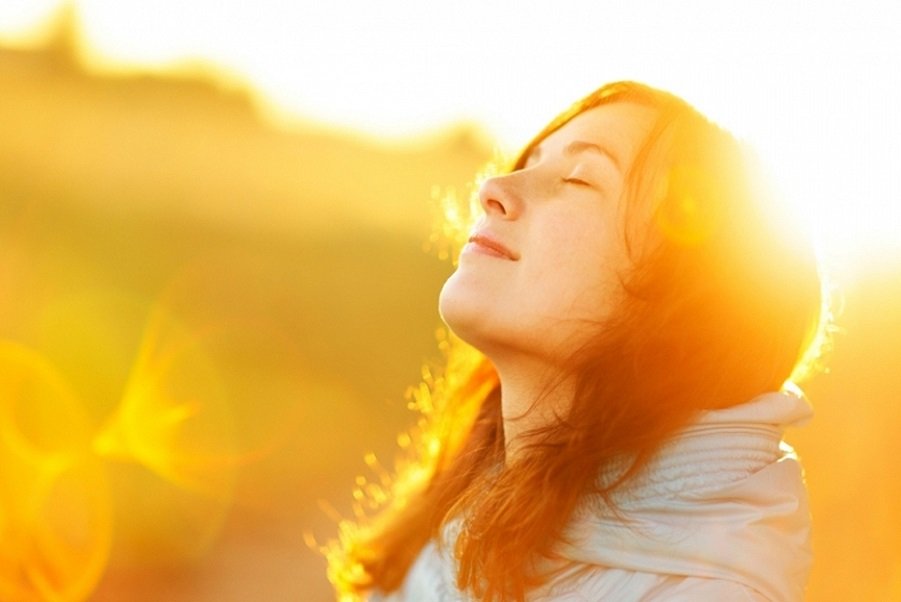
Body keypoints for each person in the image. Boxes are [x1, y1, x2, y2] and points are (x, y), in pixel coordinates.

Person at [327, 81, 827, 601]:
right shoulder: (468, 509)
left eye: (578, 178)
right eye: (530, 161)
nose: (493, 187)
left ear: (683, 301)